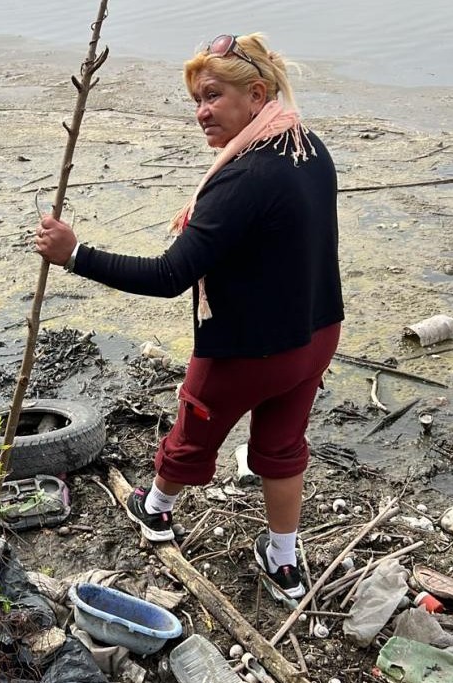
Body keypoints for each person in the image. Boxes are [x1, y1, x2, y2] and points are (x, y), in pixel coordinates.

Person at [35, 33, 344, 600]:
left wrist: (75, 255)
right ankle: (283, 562)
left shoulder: (244, 178)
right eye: (195, 100)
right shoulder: (306, 146)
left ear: (255, 93)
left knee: (190, 436)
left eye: (212, 96)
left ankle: (155, 510)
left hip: (247, 351)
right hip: (316, 334)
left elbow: (168, 275)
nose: (201, 112)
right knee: (280, 445)